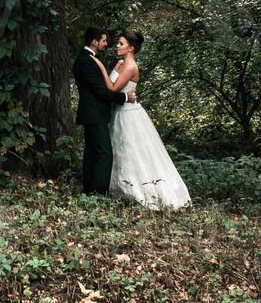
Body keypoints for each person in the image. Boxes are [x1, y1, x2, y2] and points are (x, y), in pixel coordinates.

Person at [95, 30, 192, 210]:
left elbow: (112, 89)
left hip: (129, 113)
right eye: (118, 43)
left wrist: (102, 68)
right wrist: (115, 70)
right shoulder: (122, 64)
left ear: (131, 48)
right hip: (120, 111)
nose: (117, 45)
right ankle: (120, 189)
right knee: (120, 148)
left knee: (133, 150)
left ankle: (139, 191)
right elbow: (111, 85)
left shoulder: (131, 67)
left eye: (121, 43)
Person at [73, 26, 134, 195]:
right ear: (94, 41)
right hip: (94, 114)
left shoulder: (88, 59)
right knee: (104, 153)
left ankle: (89, 191)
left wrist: (114, 71)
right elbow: (101, 91)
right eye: (104, 40)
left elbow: (104, 85)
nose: (107, 43)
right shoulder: (87, 61)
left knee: (92, 153)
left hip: (93, 113)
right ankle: (99, 193)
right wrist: (125, 98)